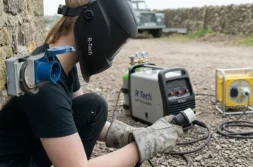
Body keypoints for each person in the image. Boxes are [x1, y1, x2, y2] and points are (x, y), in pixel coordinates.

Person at [0, 0, 184, 167]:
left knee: (94, 106)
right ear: (97, 25)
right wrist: (147, 144)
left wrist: (129, 134)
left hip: (29, 152)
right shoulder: (45, 82)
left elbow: (83, 116)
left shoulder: (58, 62)